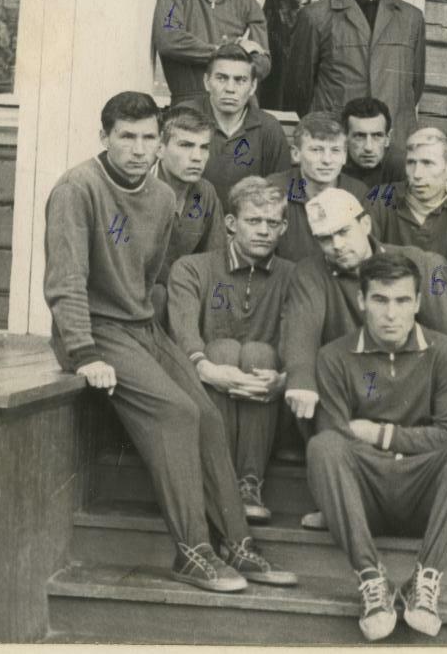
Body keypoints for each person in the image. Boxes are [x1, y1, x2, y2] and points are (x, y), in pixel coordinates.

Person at [43, 91, 294, 592]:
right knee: (175, 413)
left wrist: (152, 331)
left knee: (205, 413)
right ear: (104, 137)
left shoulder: (161, 198)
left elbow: (150, 275)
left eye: (148, 138)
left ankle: (237, 543)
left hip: (140, 326)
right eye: (126, 137)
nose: (139, 149)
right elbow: (65, 280)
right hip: (94, 329)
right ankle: (192, 551)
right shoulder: (77, 189)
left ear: (159, 142)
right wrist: (84, 351)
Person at [308, 253, 447, 641]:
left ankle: (425, 580)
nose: (392, 314)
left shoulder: (445, 351)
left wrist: (379, 435)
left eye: (403, 300)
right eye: (380, 300)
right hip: (363, 497)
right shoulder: (333, 356)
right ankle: (372, 580)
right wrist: (409, 443)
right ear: (362, 301)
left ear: (418, 303)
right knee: (324, 447)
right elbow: (337, 432)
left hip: (425, 494)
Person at [167, 177, 293, 524]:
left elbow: (297, 341)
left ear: (283, 228)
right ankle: (219, 480)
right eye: (254, 221)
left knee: (259, 354)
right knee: (221, 350)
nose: (264, 231)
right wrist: (208, 368)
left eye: (272, 223)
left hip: (269, 407)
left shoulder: (292, 276)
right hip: (203, 391)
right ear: (231, 223)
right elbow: (183, 332)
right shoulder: (193, 268)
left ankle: (249, 482)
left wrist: (283, 379)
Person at [283, 0, 425, 177]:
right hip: (338, 149)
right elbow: (299, 90)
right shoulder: (316, 17)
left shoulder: (410, 18)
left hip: (393, 151)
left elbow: (415, 86)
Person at [365, 128, 447, 292]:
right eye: (411, 163)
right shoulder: (381, 197)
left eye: (428, 163)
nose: (417, 174)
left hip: (444, 300)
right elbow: (365, 260)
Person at [183, 44, 290, 201]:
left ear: (252, 86)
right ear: (206, 81)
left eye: (240, 80)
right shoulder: (185, 117)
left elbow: (280, 191)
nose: (230, 88)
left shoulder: (269, 128)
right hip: (194, 214)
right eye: (221, 78)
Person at [151, 104, 226, 326]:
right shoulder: (139, 190)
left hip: (187, 297)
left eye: (204, 147)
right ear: (159, 148)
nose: (197, 157)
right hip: (144, 300)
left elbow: (215, 260)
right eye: (185, 145)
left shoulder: (205, 193)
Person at [265, 112, 367, 261]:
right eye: (316, 150)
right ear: (296, 154)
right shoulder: (273, 189)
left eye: (335, 150)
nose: (327, 160)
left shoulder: (358, 192)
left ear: (345, 155)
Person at [341, 96, 394, 188]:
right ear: (345, 138)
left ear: (387, 138)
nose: (368, 147)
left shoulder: (404, 167)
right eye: (359, 136)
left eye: (377, 135)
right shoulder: (330, 164)